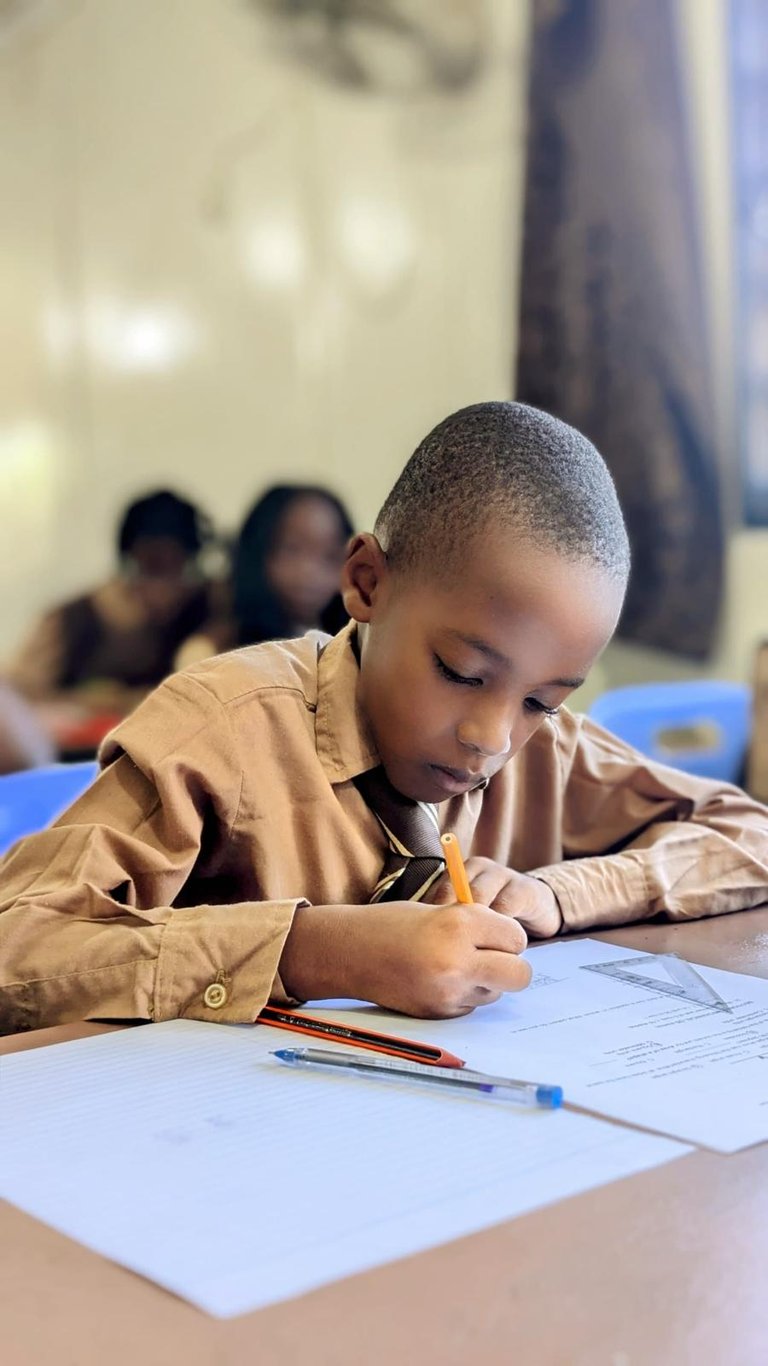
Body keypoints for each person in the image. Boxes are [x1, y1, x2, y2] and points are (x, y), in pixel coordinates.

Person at [2, 401, 768, 1036]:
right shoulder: (224, 730)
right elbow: (16, 945)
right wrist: (310, 951)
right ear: (367, 584)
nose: (492, 739)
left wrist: (563, 895)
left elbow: (752, 837)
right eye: (462, 674)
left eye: (542, 701)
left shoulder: (548, 752)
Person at [5, 489, 216, 750]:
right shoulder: (74, 618)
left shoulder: (207, 608)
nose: (163, 590)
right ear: (128, 562)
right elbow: (12, 700)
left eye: (177, 569)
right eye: (152, 567)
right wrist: (84, 706)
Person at [176, 484, 353, 666]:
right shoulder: (212, 649)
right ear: (256, 553)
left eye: (330, 557)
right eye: (292, 549)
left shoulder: (349, 648)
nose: (310, 571)